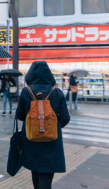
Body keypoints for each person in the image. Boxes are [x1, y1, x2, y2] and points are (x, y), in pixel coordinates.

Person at [16, 61, 70, 189]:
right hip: (51, 140)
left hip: (31, 138)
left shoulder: (26, 92)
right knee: (46, 174)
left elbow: (20, 115)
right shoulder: (56, 92)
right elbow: (65, 117)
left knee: (35, 169)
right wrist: (52, 126)